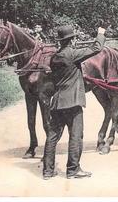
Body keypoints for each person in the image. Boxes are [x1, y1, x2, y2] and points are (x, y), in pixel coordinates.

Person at [42, 24, 107, 180]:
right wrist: (100, 33)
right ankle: (73, 170)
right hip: (72, 103)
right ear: (71, 41)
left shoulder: (55, 57)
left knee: (52, 137)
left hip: (57, 103)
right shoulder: (72, 54)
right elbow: (96, 48)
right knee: (76, 136)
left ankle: (47, 172)